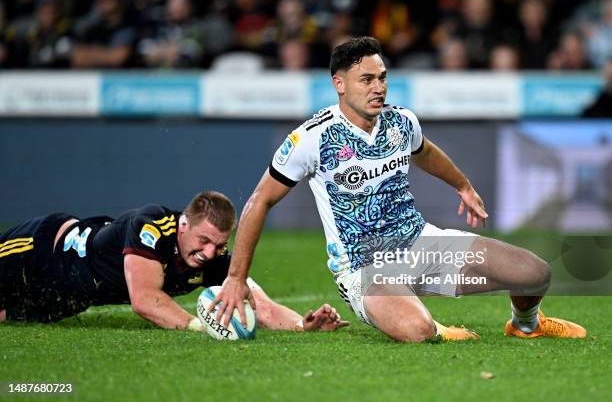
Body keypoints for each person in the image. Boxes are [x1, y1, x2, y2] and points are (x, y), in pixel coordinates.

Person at [211, 36, 587, 342]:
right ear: (339, 84)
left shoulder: (400, 122)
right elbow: (260, 200)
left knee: (534, 272)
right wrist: (236, 277)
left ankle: (526, 324)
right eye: (367, 80)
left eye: (383, 77)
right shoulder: (312, 138)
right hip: (364, 268)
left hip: (421, 244)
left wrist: (462, 185)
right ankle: (434, 326)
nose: (378, 88)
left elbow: (425, 153)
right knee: (416, 331)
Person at [0, 191, 349, 333]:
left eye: (219, 245)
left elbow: (262, 306)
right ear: (184, 224)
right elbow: (145, 301)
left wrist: (304, 327)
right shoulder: (150, 226)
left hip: (67, 296)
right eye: (203, 240)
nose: (210, 253)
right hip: (39, 250)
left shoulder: (214, 259)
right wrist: (203, 328)